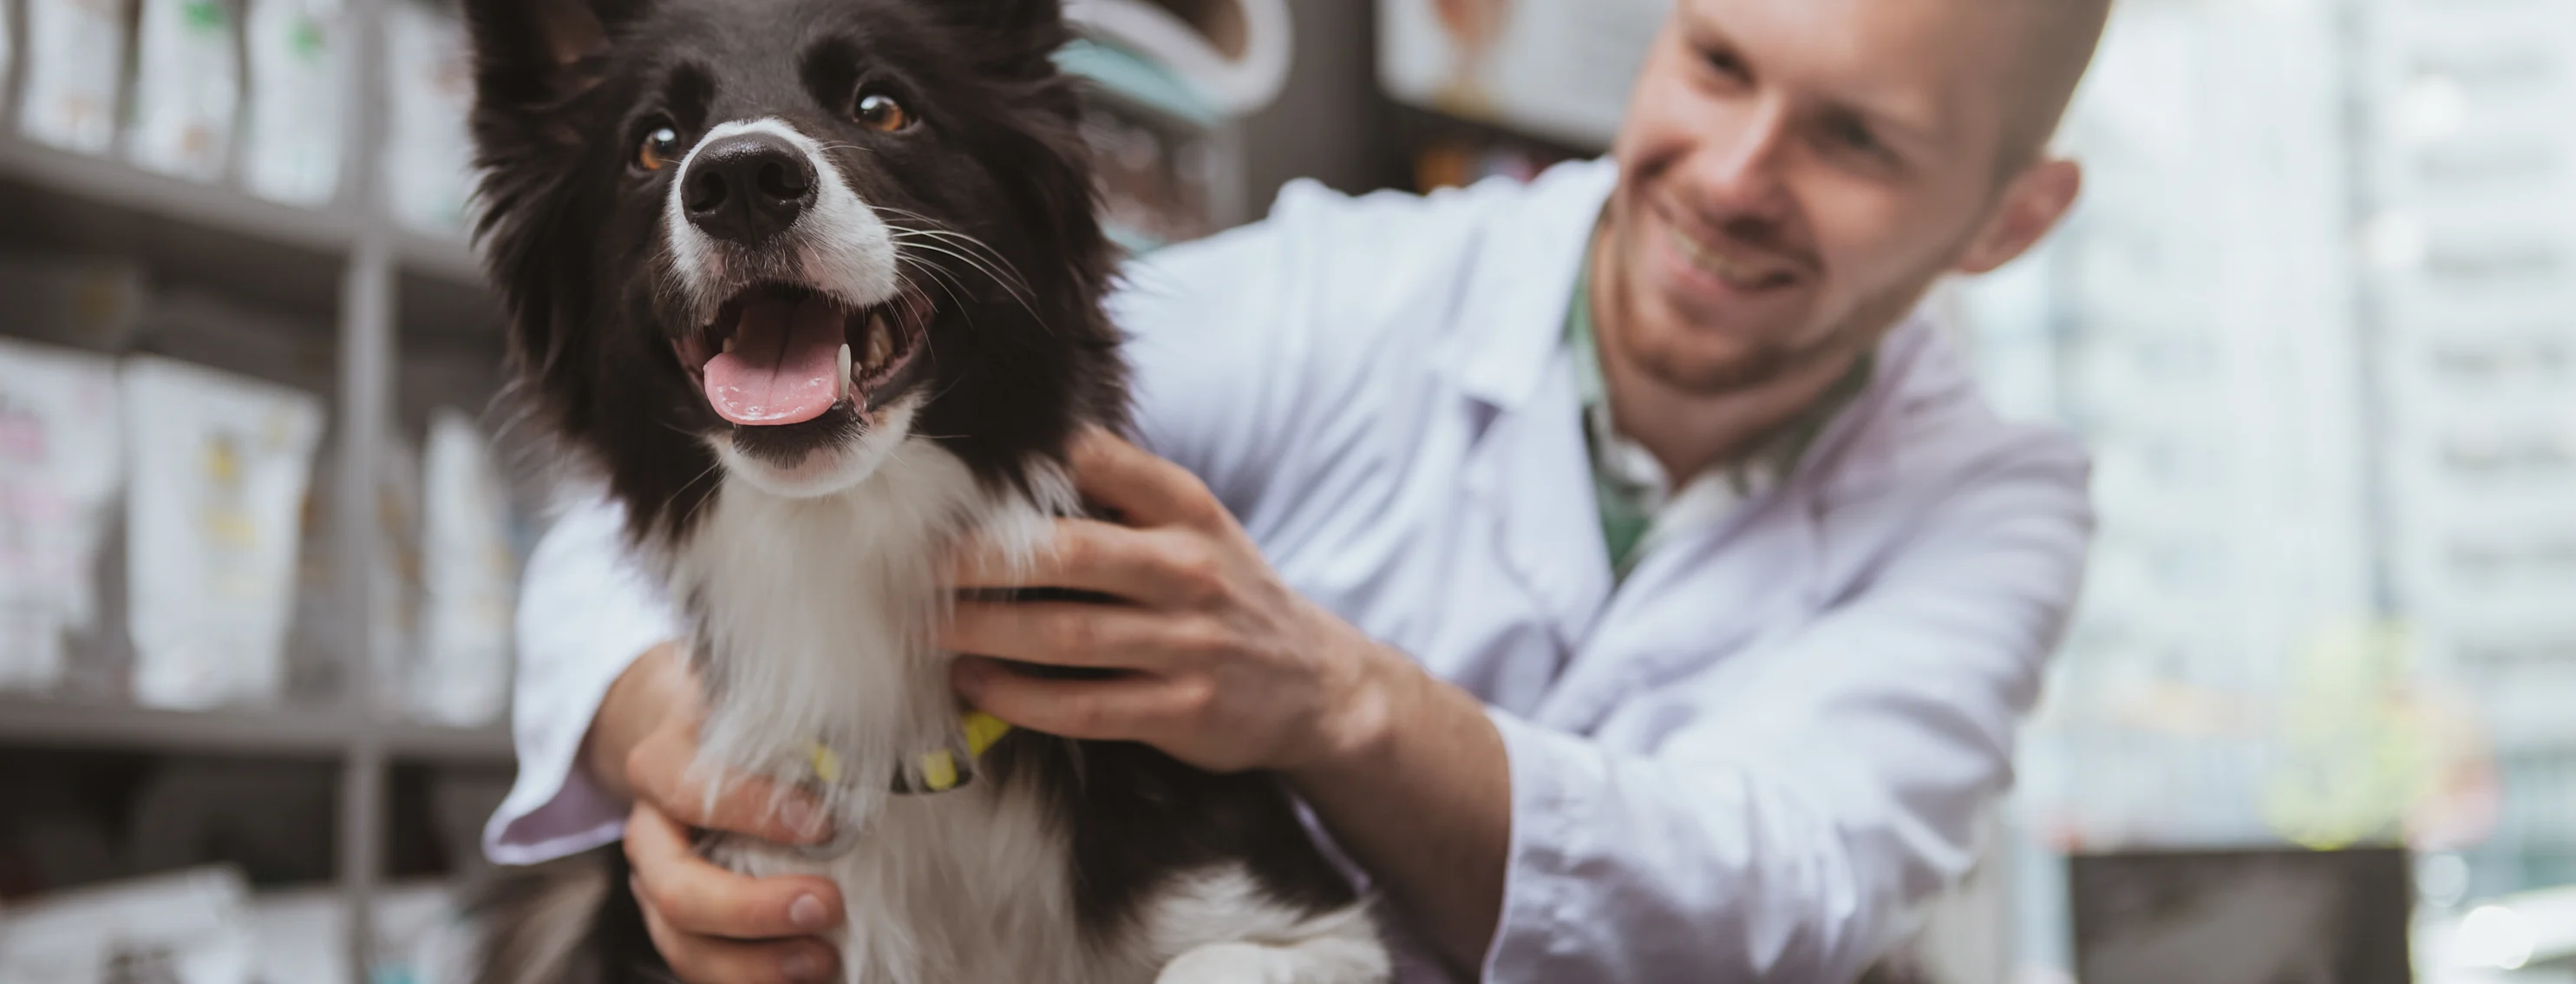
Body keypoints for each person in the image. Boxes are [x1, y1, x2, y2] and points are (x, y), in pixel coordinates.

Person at [483, 0, 2110, 980]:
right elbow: (647, 503)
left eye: (1856, 144)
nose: (1736, 172)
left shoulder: (1993, 504)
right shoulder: (1352, 285)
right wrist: (666, 738)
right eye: (1716, 62)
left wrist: (1331, 697)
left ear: (2005, 222)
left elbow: (1780, 893)